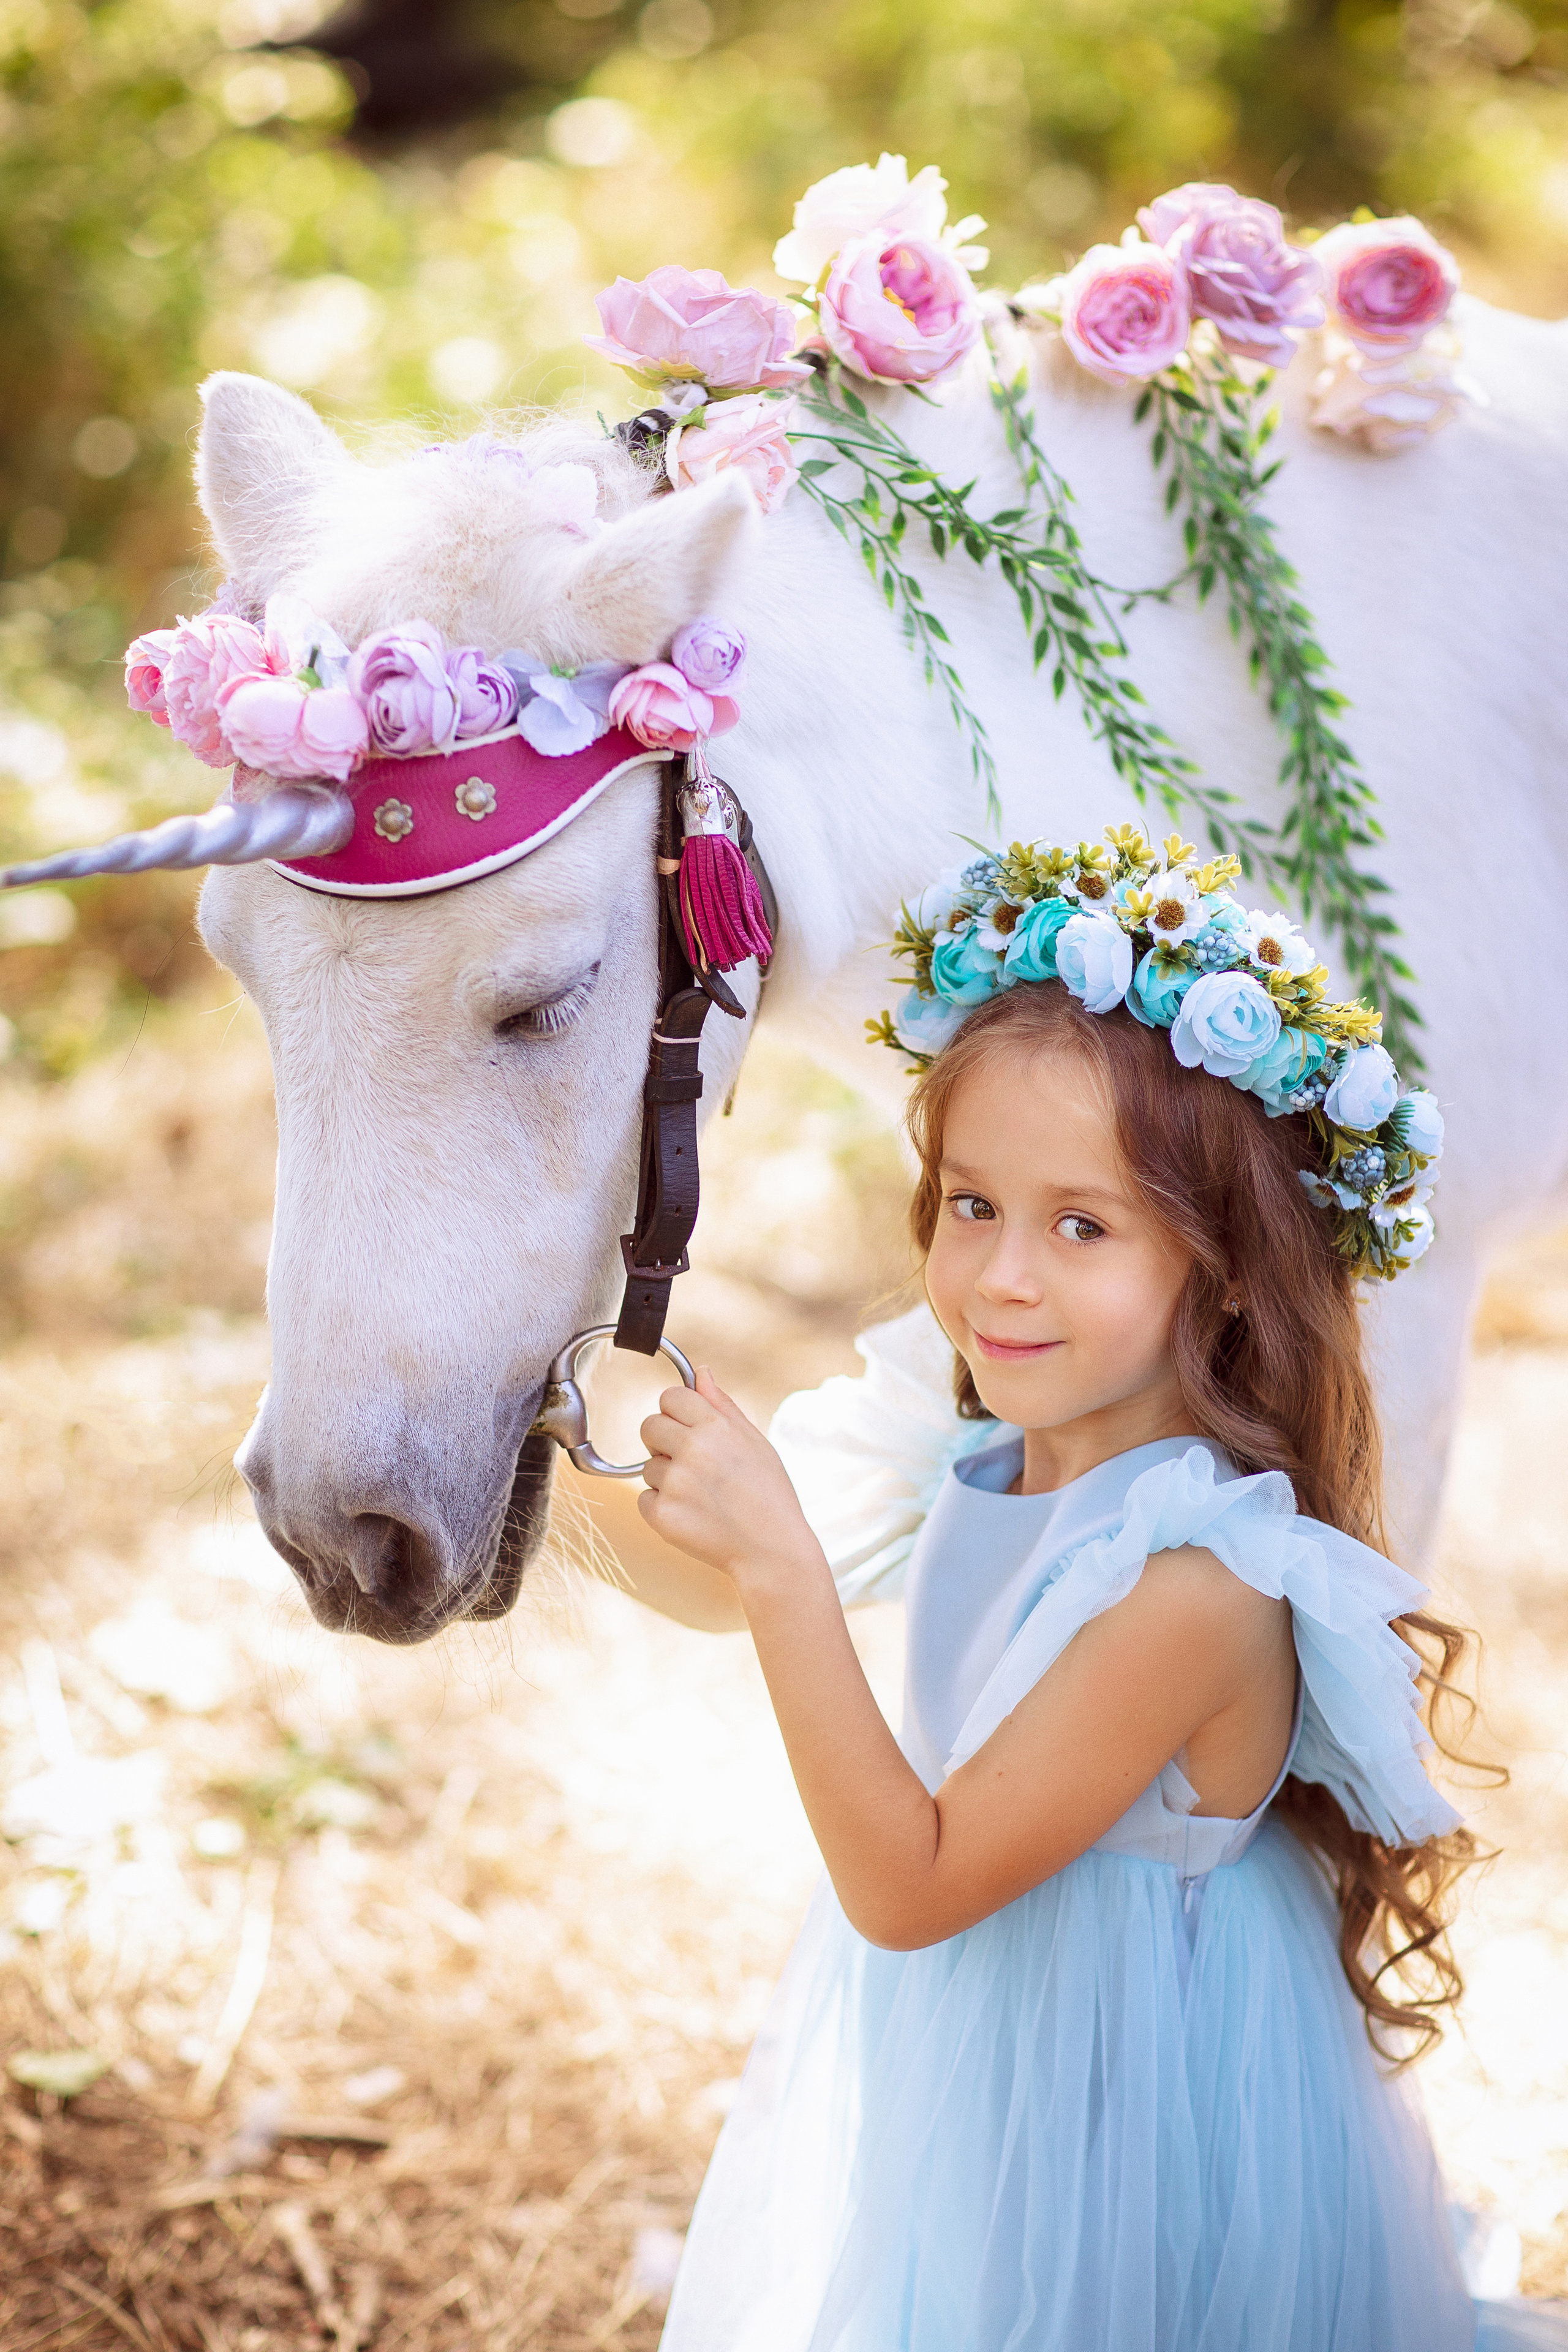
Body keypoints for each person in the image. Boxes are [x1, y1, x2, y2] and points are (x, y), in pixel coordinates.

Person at [625, 831, 1567, 2351]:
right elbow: (699, 1587)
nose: (999, 1275)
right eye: (971, 1203)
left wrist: (787, 1568)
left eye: (1083, 1226)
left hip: (1134, 2102)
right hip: (992, 2059)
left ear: (1232, 1267)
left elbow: (912, 1885)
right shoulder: (974, 1449)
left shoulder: (1192, 1577)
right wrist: (545, 1464)